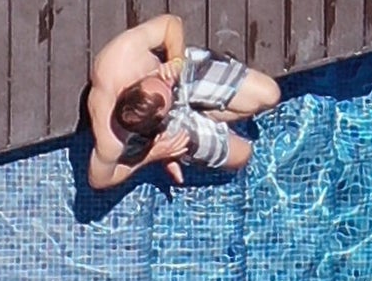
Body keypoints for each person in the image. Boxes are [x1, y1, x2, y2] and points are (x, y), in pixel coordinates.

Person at [83, 11, 281, 190]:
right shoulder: (111, 139)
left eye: (158, 80)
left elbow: (171, 23)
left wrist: (176, 61)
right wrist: (153, 154)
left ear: (134, 85)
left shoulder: (123, 55)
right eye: (167, 90)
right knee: (243, 155)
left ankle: (206, 113)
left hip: (179, 70)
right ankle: (185, 139)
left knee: (271, 95)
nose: (169, 83)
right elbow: (99, 180)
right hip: (167, 127)